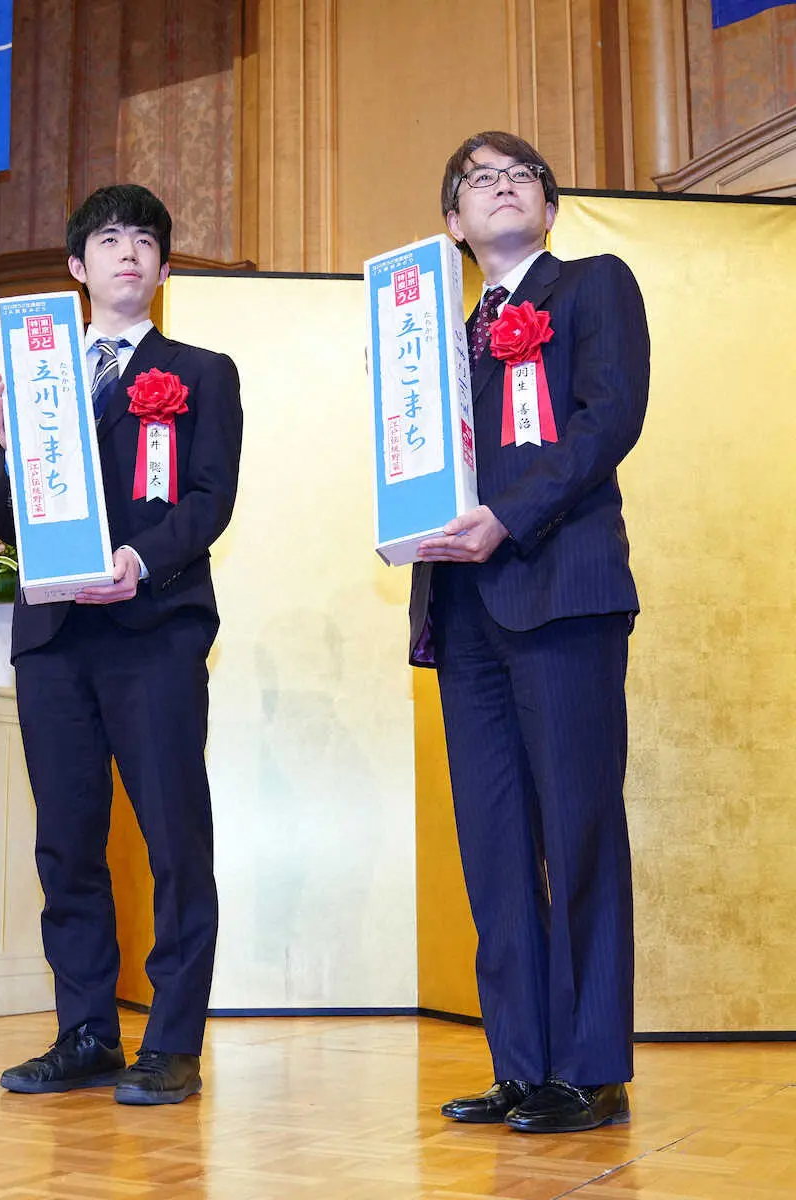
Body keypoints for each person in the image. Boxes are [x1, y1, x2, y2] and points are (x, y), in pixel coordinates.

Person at [411, 132, 649, 1133]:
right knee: (494, 841)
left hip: (562, 591)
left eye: (521, 176)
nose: (502, 186)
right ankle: (522, 1063)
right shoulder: (431, 341)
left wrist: (508, 517)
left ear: (548, 208)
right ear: (454, 223)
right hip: (462, 609)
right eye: (479, 179)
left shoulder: (594, 285)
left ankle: (590, 1068)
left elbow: (609, 419)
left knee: (579, 827)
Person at [0, 184, 242, 1106]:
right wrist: (8, 444)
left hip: (154, 631)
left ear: (164, 268)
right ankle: (87, 1032)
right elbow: (11, 521)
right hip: (54, 637)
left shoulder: (203, 370)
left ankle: (172, 1041)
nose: (127, 252)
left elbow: (210, 500)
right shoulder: (39, 376)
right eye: (108, 239)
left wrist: (139, 560)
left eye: (144, 240)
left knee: (175, 837)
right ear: (76, 266)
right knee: (66, 844)